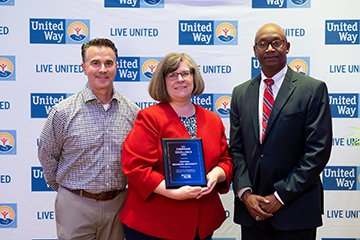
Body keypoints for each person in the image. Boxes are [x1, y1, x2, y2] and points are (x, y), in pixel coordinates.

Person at [230, 23, 332, 240]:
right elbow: (236, 150)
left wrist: (280, 196)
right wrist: (246, 194)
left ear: (287, 46)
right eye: (263, 44)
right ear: (254, 50)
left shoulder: (312, 89)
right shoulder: (240, 93)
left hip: (296, 208)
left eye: (276, 42)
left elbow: (318, 151)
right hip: (252, 211)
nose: (269, 49)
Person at [119, 52, 233, 240]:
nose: (180, 79)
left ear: (194, 78)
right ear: (162, 81)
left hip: (201, 224)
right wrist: (172, 192)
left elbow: (226, 161)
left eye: (185, 73)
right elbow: (136, 167)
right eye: (172, 75)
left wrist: (216, 175)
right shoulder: (149, 118)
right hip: (155, 224)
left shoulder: (213, 120)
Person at [38, 38, 139, 240]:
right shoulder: (63, 112)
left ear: (116, 67)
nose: (103, 69)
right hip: (75, 204)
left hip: (117, 205)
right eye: (95, 63)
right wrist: (69, 193)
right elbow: (47, 155)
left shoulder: (133, 113)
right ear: (84, 68)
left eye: (108, 63)